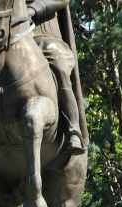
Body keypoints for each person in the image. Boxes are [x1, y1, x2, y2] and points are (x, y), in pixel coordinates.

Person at [26, 0, 85, 155]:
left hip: (43, 34)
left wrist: (32, 9)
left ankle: (73, 129)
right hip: (8, 36)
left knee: (58, 64)